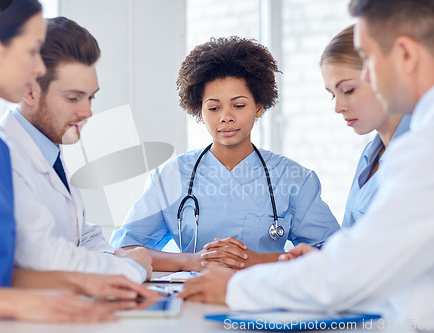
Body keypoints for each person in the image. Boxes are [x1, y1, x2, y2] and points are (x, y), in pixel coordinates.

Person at [179, 0, 434, 324]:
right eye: (214, 107)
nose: (367, 74)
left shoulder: (424, 149)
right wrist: (319, 262)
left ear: (406, 54)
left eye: (366, 61)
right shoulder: (392, 150)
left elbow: (353, 272)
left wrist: (236, 286)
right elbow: (361, 258)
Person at [0, 1, 154, 326]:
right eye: (33, 49)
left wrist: (84, 283)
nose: (39, 67)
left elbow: (1, 271)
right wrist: (11, 303)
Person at [111, 36, 340, 272]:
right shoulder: (170, 177)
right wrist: (192, 261)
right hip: (193, 298)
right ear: (199, 111)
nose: (226, 117)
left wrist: (253, 260)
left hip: (267, 299)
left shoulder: (294, 179)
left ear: (259, 107)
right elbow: (123, 250)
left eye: (239, 105)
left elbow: (334, 253)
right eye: (213, 107)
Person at [0, 17, 152, 283]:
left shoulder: (49, 151)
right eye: (73, 98)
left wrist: (116, 259)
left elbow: (83, 235)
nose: (87, 112)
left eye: (91, 97)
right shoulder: (2, 154)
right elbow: (40, 256)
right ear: (30, 92)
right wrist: (128, 270)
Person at [321, 25, 410, 229]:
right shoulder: (369, 156)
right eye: (333, 94)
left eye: (348, 90)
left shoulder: (419, 151)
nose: (338, 107)